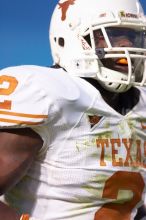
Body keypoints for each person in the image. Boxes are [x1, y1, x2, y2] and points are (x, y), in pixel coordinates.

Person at [0, 0, 146, 219]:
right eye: (112, 34)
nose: (125, 43)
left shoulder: (141, 104)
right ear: (69, 39)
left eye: (132, 35)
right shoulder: (47, 94)